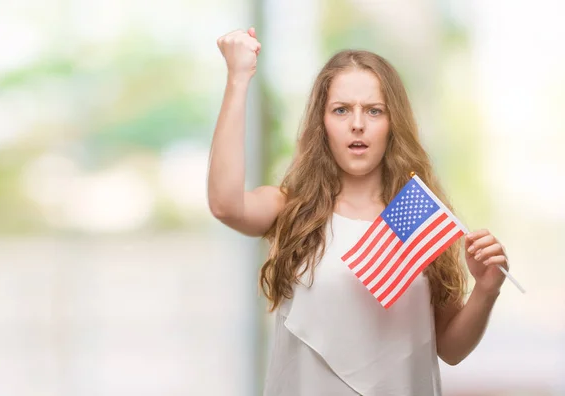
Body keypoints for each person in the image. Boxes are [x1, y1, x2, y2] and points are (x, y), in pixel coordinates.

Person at [208, 27, 510, 396]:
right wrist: (238, 78)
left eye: (374, 110)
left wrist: (486, 290)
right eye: (341, 110)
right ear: (322, 123)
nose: (357, 124)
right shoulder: (294, 209)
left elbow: (450, 348)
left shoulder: (416, 216)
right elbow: (225, 205)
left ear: (392, 123)